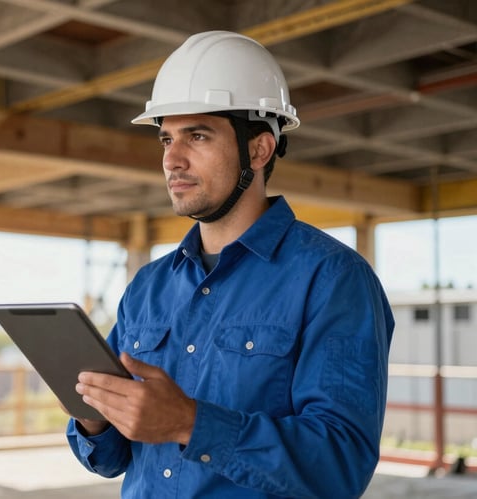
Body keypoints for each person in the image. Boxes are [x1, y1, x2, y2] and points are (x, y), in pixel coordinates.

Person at [65, 31, 395, 498]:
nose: (171, 160)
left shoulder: (332, 279)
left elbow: (340, 466)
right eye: (166, 138)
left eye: (196, 135)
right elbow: (110, 458)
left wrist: (190, 423)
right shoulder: (148, 286)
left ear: (258, 150)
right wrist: (95, 415)